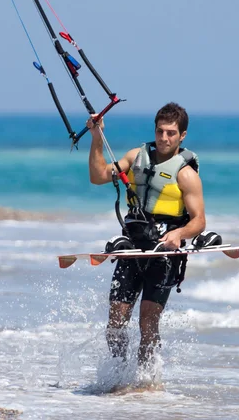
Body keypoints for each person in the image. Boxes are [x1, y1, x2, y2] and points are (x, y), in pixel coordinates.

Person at [87, 102, 206, 366]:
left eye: (171, 133)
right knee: (116, 322)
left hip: (164, 254)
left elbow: (199, 221)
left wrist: (179, 234)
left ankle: (146, 383)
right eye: (160, 131)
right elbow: (97, 176)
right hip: (132, 250)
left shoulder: (186, 174)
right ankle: (118, 374)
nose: (164, 138)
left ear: (182, 135)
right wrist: (97, 137)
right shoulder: (135, 157)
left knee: (148, 323)